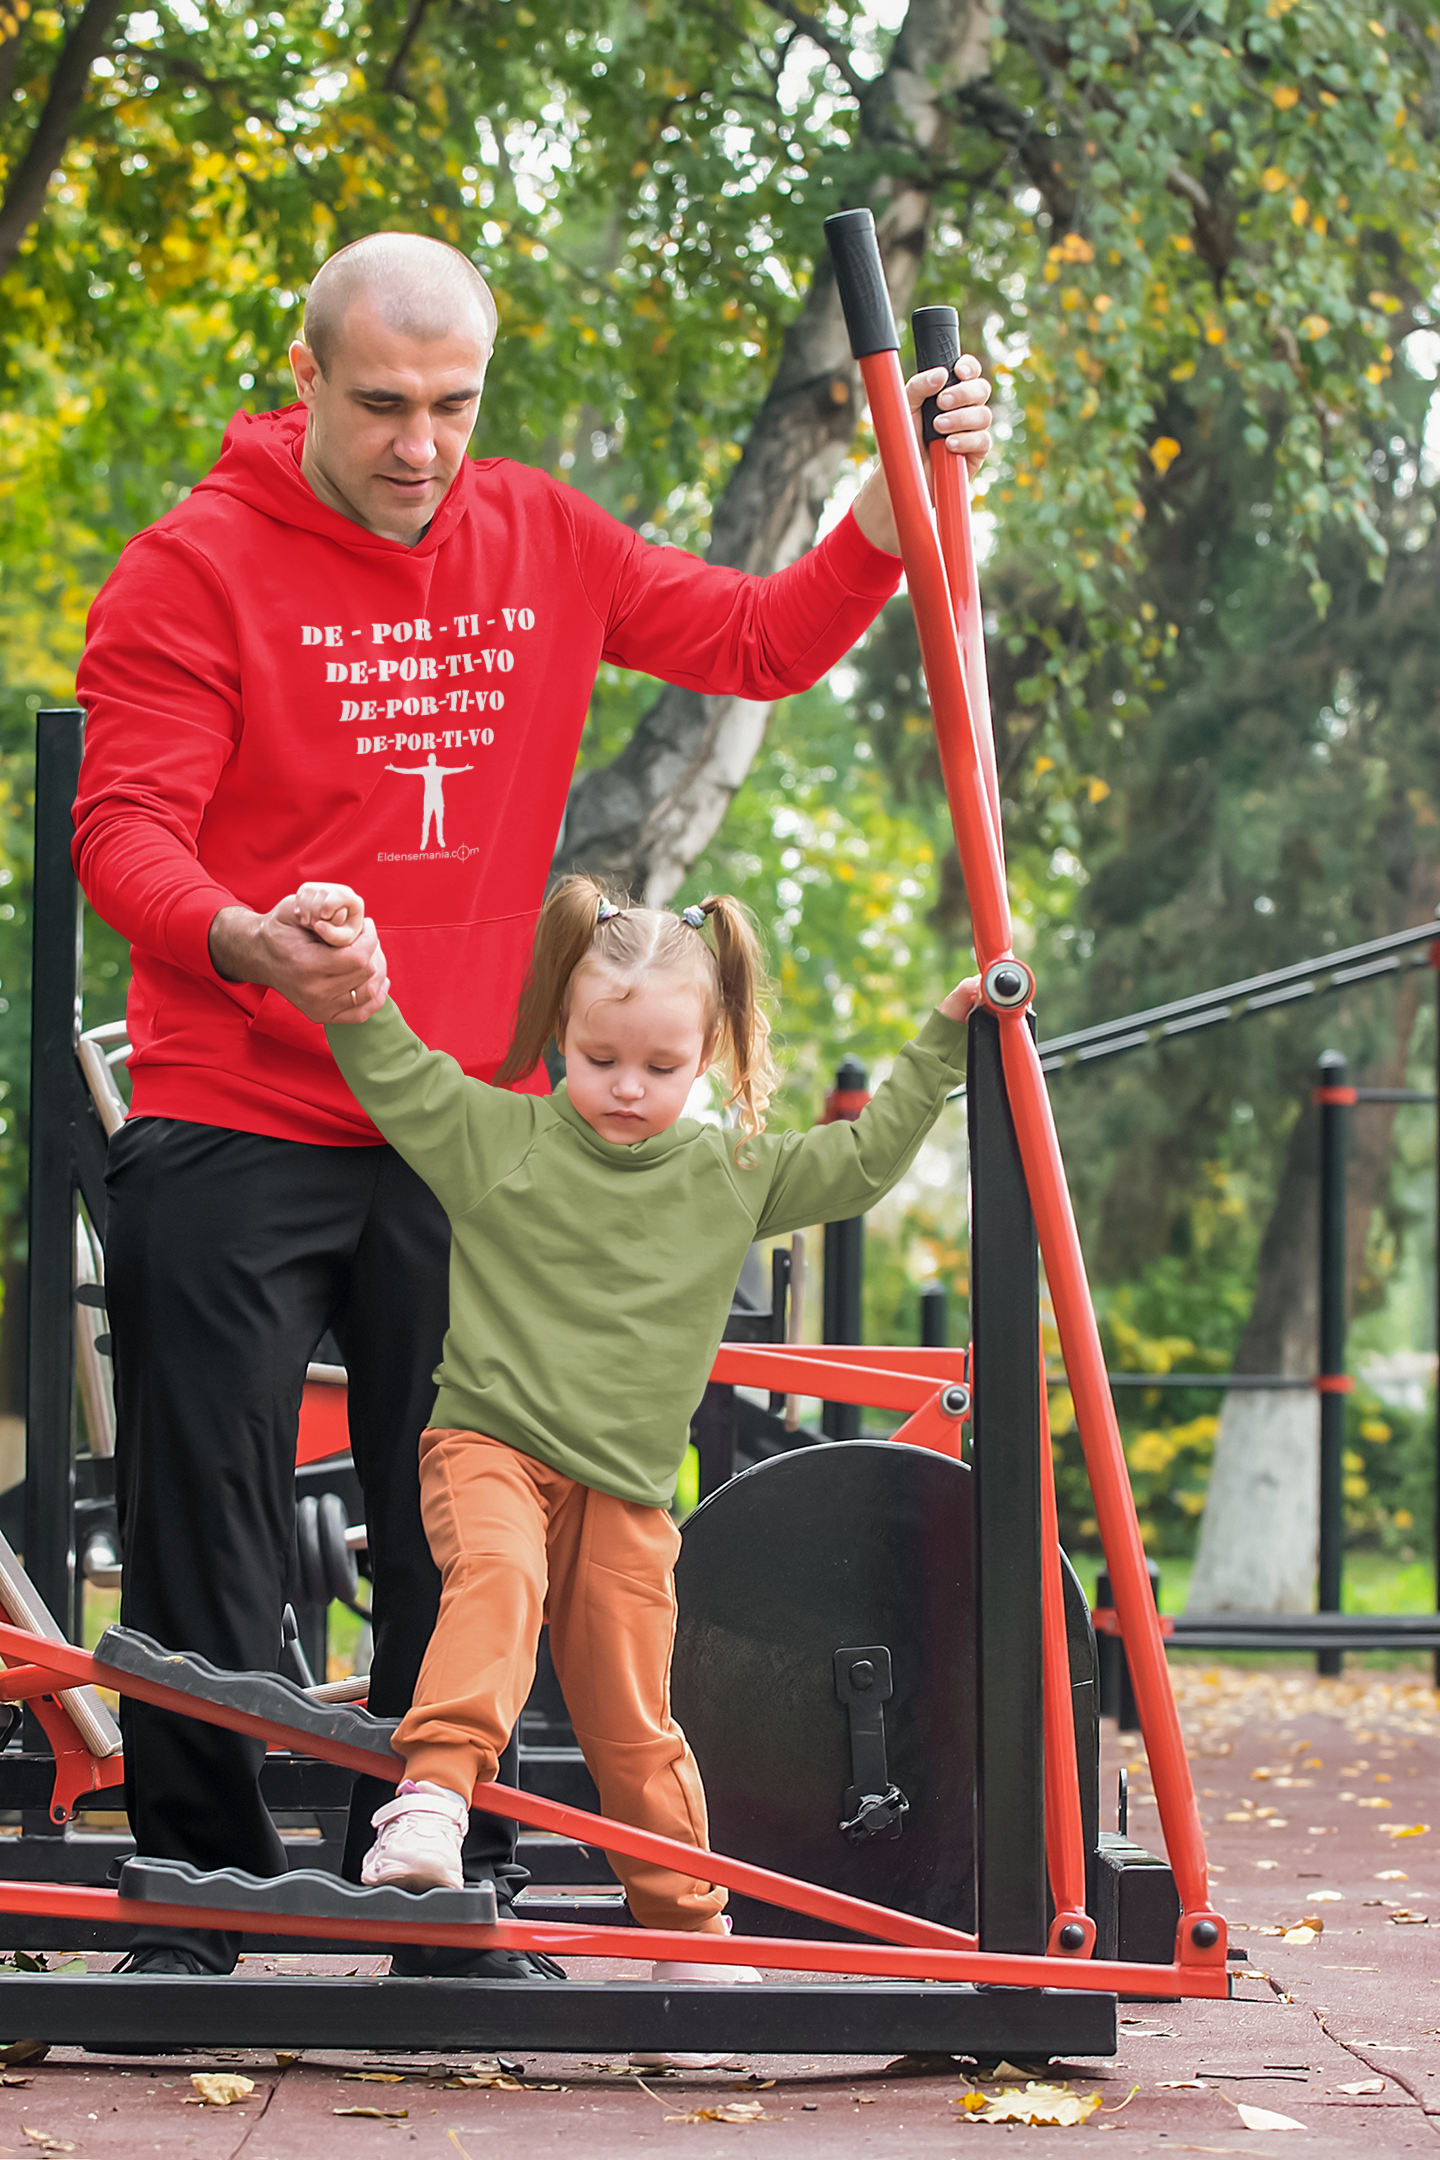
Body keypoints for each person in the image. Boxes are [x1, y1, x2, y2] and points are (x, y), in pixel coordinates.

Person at [72, 229, 992, 1982]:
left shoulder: (539, 537)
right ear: (307, 379)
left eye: (455, 405)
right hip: (237, 1090)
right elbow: (124, 833)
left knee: (478, 1513)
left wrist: (887, 509)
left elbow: (755, 637)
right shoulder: (191, 569)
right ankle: (192, 1899)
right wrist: (250, 939)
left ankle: (440, 1886)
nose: (422, 444)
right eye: (384, 405)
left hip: (461, 1124)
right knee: (209, 1503)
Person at [299, 871, 977, 2054]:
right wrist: (354, 978)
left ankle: (685, 1927)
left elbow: (864, 1161)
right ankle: (431, 1799)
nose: (626, 1088)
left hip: (620, 1487)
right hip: (491, 1446)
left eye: (661, 1067)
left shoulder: (730, 1172)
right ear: (560, 1033)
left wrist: (945, 1038)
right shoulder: (502, 1140)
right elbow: (396, 1071)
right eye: (599, 1056)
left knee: (632, 1711)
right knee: (495, 1587)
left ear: (710, 1054)